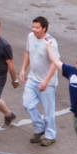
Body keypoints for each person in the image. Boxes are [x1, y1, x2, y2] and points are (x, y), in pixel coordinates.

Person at [22, 15, 61, 146]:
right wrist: (23, 70)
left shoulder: (51, 42)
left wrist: (46, 81)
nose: (34, 29)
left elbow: (54, 63)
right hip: (32, 78)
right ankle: (39, 127)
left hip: (47, 83)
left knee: (48, 111)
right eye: (33, 27)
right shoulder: (30, 37)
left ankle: (50, 135)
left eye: (37, 28)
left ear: (44, 28)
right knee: (28, 104)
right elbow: (27, 53)